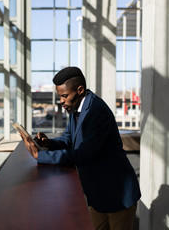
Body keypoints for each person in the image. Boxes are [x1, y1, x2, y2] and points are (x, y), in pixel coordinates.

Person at [21, 66, 141, 230]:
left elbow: (83, 154)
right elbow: (69, 139)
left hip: (117, 193)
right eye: (60, 96)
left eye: (64, 96)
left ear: (80, 90)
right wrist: (47, 144)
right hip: (98, 194)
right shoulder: (76, 107)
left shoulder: (96, 112)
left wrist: (40, 156)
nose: (61, 101)